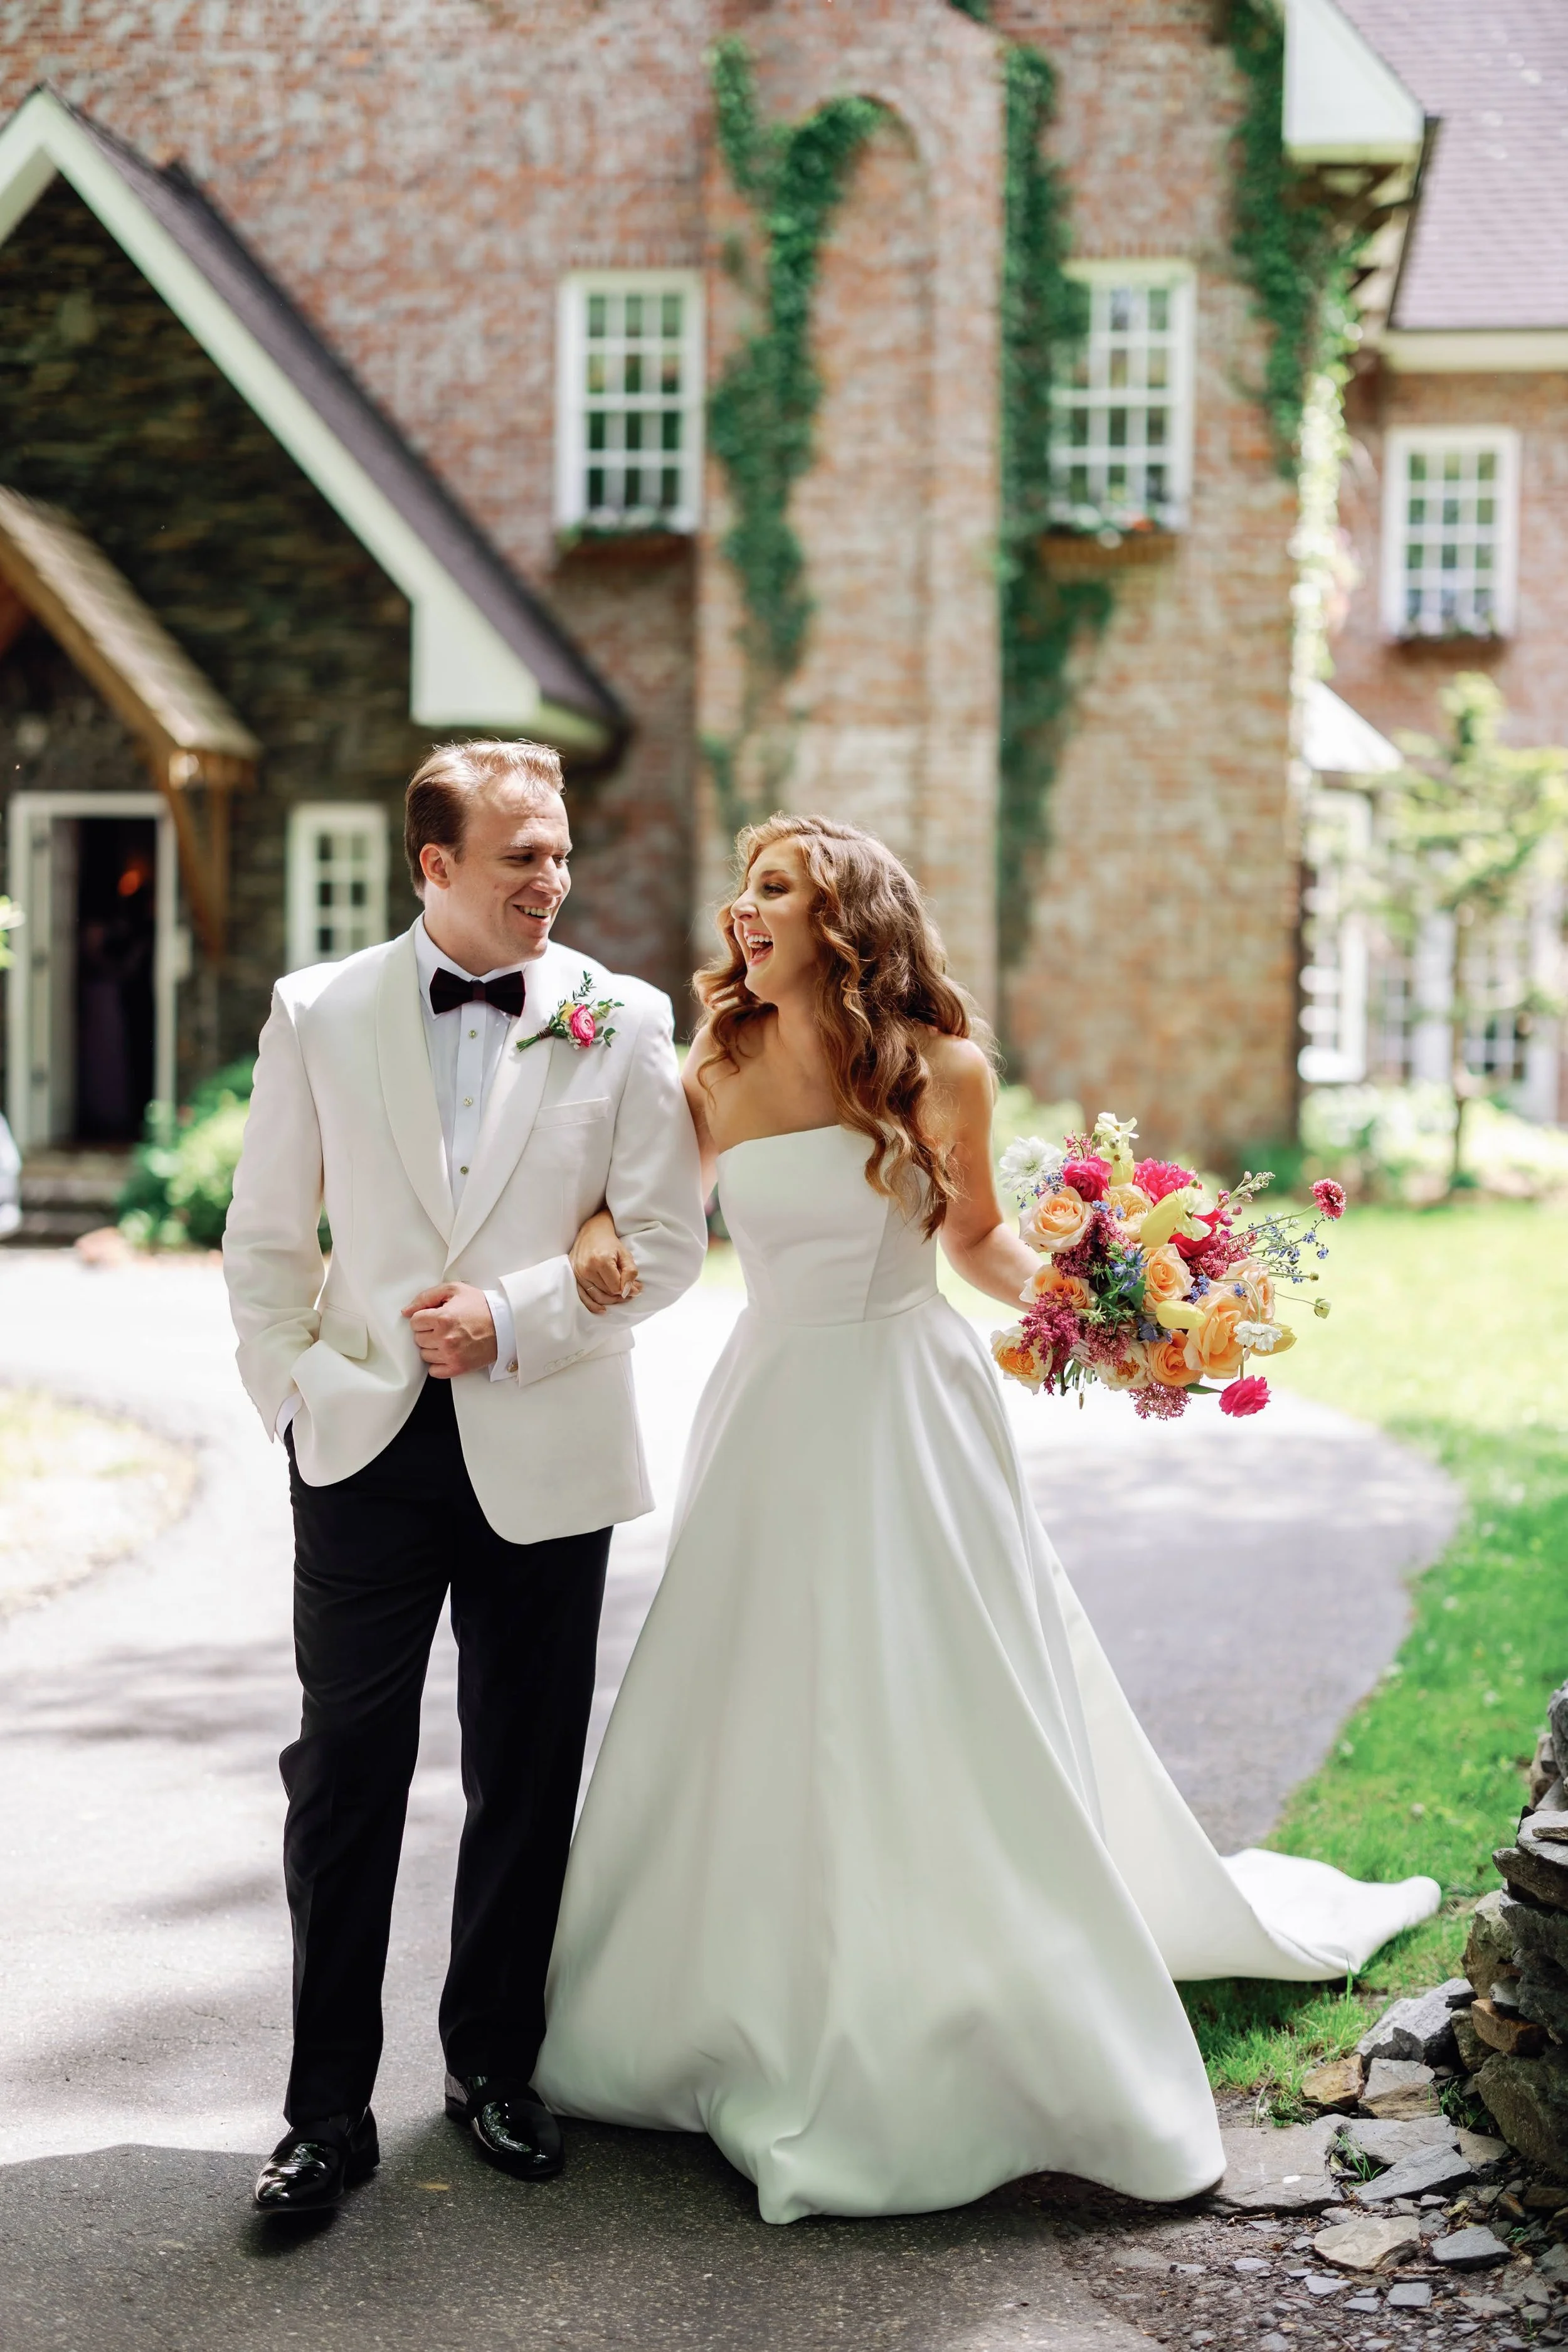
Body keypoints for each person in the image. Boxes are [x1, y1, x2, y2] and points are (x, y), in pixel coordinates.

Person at [535, 813, 1438, 2226]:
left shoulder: (941, 1069)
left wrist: (1119, 1311)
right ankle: (727, 1996)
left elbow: (974, 1244)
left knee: (937, 1681)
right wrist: (592, 1241)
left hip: (913, 1402)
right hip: (772, 1403)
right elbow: (645, 1225)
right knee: (762, 1683)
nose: (741, 912)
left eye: (773, 889)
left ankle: (982, 1983)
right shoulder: (708, 1066)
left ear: (845, 920)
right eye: (745, 889)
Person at [222, 738, 706, 2216]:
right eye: (521, 858)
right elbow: (262, 1239)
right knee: (346, 1777)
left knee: (524, 1771)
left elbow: (668, 1242)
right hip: (360, 1451)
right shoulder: (320, 1010)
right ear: (434, 865)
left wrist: (510, 1318)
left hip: (542, 1441)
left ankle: (492, 2066)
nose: (551, 880)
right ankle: (323, 2119)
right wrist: (297, 1399)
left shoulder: (618, 1019)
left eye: (560, 853)